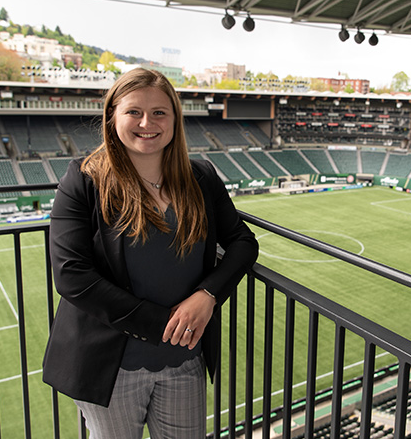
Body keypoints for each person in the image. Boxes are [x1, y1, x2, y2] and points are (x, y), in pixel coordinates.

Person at [43, 68, 258, 439]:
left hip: (184, 360)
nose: (147, 122)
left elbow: (243, 242)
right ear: (113, 116)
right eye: (133, 112)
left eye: (160, 112)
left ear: (175, 119)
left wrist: (208, 296)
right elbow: (70, 274)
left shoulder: (201, 177)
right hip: (111, 367)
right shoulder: (83, 179)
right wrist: (162, 324)